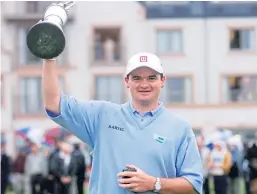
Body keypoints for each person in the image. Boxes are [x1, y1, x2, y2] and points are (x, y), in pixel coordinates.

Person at [42, 52, 203, 193]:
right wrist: (49, 56)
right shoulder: (102, 116)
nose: (144, 84)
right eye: (137, 78)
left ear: (162, 80)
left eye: (152, 78)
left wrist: (154, 183)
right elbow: (54, 104)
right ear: (127, 81)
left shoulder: (179, 128)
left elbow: (194, 186)